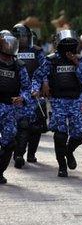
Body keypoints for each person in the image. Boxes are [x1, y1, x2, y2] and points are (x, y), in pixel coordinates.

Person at [32, 29, 82, 177]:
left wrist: (76, 63)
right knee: (60, 135)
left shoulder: (79, 60)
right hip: (58, 101)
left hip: (75, 101)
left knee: (78, 136)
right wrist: (36, 89)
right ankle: (62, 165)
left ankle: (69, 152)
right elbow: (38, 76)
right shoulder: (51, 60)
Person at [11, 24, 46, 167]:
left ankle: (31, 153)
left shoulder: (37, 51)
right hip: (17, 92)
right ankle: (19, 154)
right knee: (22, 126)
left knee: (36, 127)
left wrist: (44, 83)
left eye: (24, 37)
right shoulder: (10, 51)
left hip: (34, 92)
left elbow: (45, 68)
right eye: (19, 37)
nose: (22, 40)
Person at [0, 35, 32, 184]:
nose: (6, 59)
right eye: (4, 55)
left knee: (9, 143)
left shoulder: (19, 66)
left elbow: (26, 87)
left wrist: (23, 98)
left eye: (9, 56)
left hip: (9, 108)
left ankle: (0, 172)